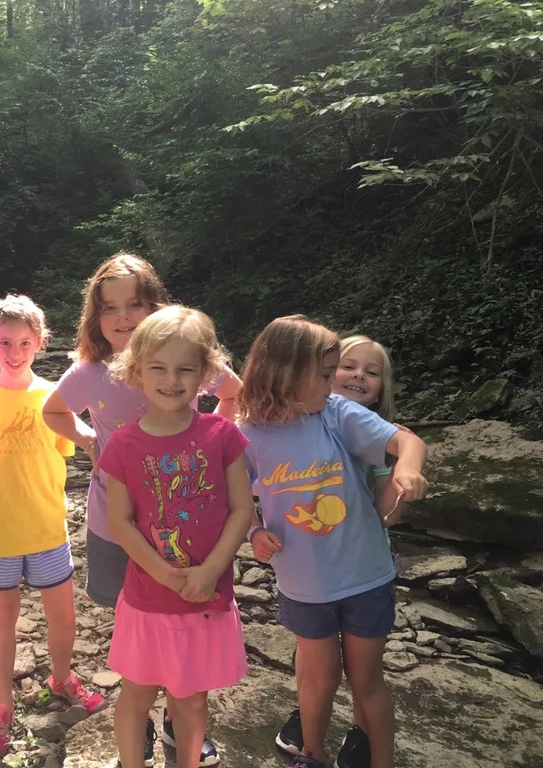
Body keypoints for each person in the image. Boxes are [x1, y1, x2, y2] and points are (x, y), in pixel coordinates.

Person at [42, 253, 241, 766]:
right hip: (117, 522)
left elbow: (234, 394)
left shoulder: (185, 358)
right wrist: (88, 439)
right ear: (95, 316)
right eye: (111, 308)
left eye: (136, 304)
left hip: (190, 526)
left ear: (157, 305)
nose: (124, 317)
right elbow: (52, 411)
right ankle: (146, 709)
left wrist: (215, 452)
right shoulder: (89, 372)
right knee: (132, 615)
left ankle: (180, 716)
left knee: (185, 628)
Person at [238, 316, 429, 768]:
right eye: (325, 375)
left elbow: (407, 440)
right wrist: (253, 531)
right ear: (283, 372)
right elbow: (236, 494)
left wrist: (406, 468)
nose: (333, 384)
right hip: (304, 585)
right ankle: (312, 754)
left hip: (365, 576)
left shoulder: (337, 414)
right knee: (318, 680)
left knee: (367, 682)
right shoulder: (246, 433)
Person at [97, 306, 252, 768]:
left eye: (185, 369)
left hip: (206, 597)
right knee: (136, 695)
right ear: (136, 370)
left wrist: (209, 571)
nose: (172, 380)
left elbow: (242, 509)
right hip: (147, 599)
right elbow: (121, 521)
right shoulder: (124, 443)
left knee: (191, 700)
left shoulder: (222, 434)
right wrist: (164, 572)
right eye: (158, 368)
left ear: (205, 374)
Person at [0, 295, 107, 759]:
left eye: (25, 342)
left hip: (47, 526)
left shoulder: (55, 397)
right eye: (5, 342)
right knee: (2, 616)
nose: (15, 351)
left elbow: (78, 448)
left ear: (41, 343)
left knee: (62, 614)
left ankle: (61, 678)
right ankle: (2, 702)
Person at [275, 333, 406, 768]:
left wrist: (396, 475)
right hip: (310, 572)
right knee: (315, 663)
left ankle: (361, 732)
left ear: (382, 387)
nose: (358, 377)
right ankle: (308, 718)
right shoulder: (299, 424)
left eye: (372, 373)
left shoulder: (380, 438)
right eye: (348, 367)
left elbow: (389, 513)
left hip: (363, 563)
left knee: (363, 668)